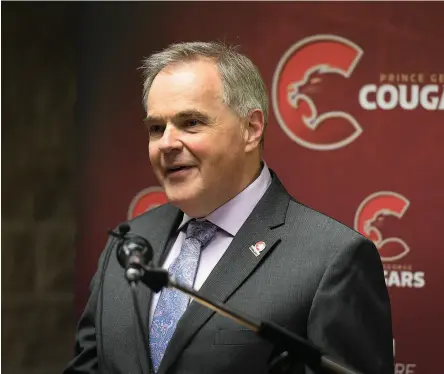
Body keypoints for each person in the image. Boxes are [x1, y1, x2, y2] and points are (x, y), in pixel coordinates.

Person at [64, 41, 394, 374]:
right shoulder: (129, 244)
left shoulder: (331, 259)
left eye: (191, 122)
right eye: (156, 128)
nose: (166, 143)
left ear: (251, 129)